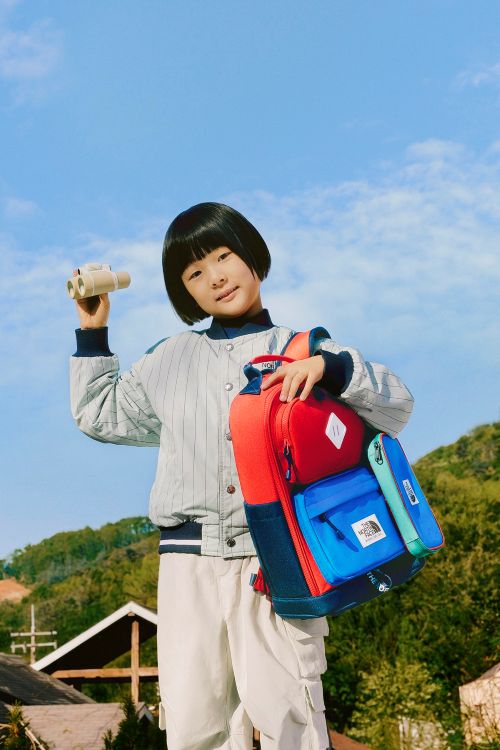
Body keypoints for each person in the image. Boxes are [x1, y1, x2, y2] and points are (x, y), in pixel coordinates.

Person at [70, 202, 414, 750]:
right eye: (194, 273)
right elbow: (99, 413)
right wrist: (93, 331)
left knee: (291, 719)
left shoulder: (305, 349)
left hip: (275, 558)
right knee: (194, 726)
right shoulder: (168, 359)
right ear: (184, 293)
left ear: (253, 256)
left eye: (224, 256)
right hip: (187, 565)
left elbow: (395, 405)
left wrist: (330, 369)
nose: (216, 277)